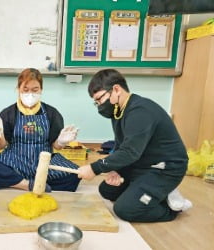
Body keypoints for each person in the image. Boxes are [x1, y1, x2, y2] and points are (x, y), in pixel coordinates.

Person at [77, 68, 192, 222]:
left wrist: (95, 168)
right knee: (107, 190)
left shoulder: (140, 111)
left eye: (100, 99)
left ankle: (172, 206)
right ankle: (149, 191)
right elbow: (121, 144)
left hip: (165, 169)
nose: (99, 106)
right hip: (142, 163)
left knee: (125, 210)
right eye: (95, 102)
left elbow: (130, 152)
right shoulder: (118, 111)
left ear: (116, 89)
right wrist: (114, 169)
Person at [0, 68, 81, 192]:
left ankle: (16, 181)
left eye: (35, 90)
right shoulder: (8, 113)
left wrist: (61, 142)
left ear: (41, 90)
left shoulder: (52, 113)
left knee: (75, 173)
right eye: (25, 90)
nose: (30, 94)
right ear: (18, 90)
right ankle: (28, 185)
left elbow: (56, 147)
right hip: (14, 161)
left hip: (44, 162)